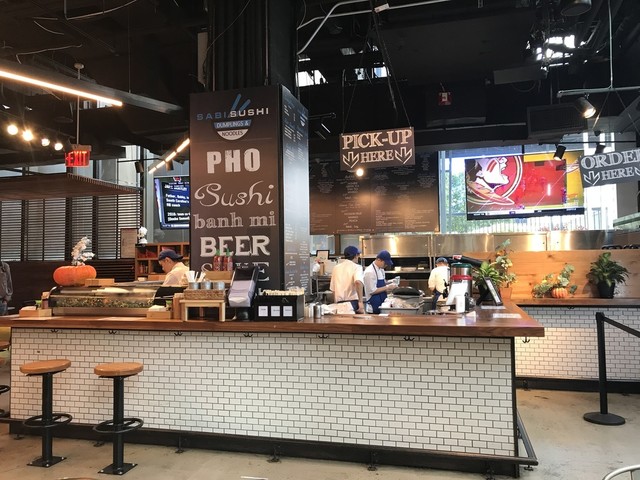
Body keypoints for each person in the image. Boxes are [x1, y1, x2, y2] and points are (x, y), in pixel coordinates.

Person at [329, 246, 365, 314]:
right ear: (355, 256)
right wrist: (360, 302)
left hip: (339, 304)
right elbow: (358, 282)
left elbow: (333, 289)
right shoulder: (357, 267)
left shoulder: (336, 268)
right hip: (352, 304)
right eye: (358, 255)